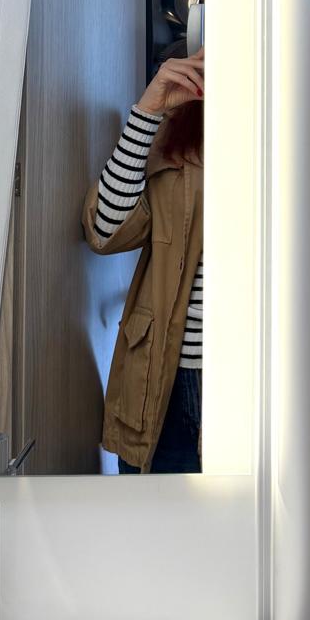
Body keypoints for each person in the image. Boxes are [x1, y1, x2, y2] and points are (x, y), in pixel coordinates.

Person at [83, 48, 204, 474]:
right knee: (153, 513)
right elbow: (106, 229)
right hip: (166, 379)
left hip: (262, 382)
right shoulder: (180, 132)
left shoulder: (306, 127)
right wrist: (149, 111)